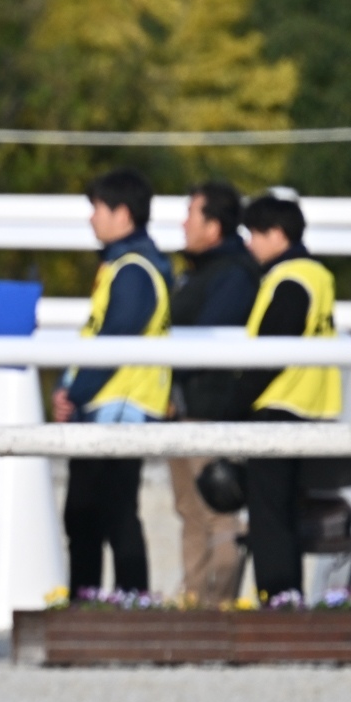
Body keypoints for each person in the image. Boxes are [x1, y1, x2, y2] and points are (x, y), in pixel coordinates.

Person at [53, 169, 172, 598]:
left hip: (119, 407)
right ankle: (113, 605)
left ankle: (114, 605)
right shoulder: (128, 265)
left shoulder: (134, 269)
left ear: (123, 214)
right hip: (112, 405)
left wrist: (74, 394)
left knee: (106, 515)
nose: (92, 218)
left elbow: (113, 342)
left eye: (97, 209)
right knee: (95, 514)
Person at [234, 193, 342, 601]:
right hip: (311, 406)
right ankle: (288, 601)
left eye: (255, 234)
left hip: (279, 406)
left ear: (277, 235)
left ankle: (278, 599)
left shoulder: (289, 279)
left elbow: (270, 355)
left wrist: (232, 406)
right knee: (287, 512)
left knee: (269, 516)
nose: (250, 244)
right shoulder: (318, 275)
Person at [166, 179, 259, 603]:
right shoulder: (202, 271)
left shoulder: (233, 274)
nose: (183, 224)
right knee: (190, 510)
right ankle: (195, 601)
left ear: (213, 226)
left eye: (191, 214)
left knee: (218, 511)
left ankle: (220, 604)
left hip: (210, 408)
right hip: (184, 405)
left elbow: (207, 338)